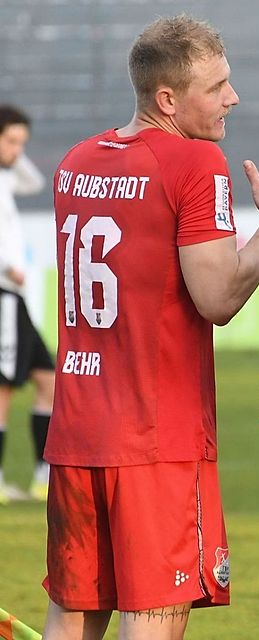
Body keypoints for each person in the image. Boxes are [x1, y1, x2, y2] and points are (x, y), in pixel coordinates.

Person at [42, 15, 259, 640]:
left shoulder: (76, 161)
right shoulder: (195, 162)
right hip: (156, 437)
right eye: (217, 86)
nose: (232, 97)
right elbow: (217, 298)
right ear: (168, 100)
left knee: (73, 613)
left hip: (76, 432)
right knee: (153, 616)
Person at [0, 104, 56, 504]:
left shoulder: (6, 176)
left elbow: (33, 182)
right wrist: (7, 266)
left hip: (14, 297)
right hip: (3, 291)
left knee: (49, 380)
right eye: (11, 140)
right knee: (2, 388)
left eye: (22, 142)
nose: (17, 150)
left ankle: (42, 474)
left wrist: (14, 154)